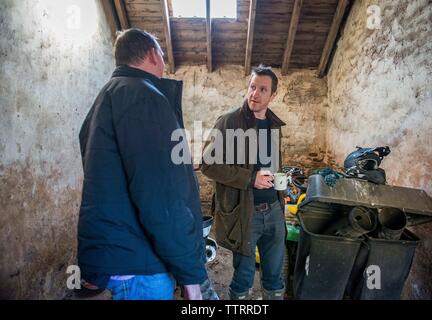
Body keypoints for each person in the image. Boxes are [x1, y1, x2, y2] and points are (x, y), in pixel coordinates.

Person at [77, 28, 207, 300]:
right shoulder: (145, 98)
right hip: (141, 267)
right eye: (161, 55)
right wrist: (190, 275)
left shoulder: (106, 99)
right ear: (151, 55)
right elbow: (161, 200)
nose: (163, 62)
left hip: (117, 259)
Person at [201, 65, 287, 300]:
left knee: (274, 275)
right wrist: (250, 179)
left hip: (275, 212)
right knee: (244, 276)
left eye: (262, 89)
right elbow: (208, 164)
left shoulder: (273, 125)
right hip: (244, 214)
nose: (254, 94)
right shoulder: (229, 122)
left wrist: (282, 189)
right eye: (252, 87)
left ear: (273, 95)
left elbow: (271, 165)